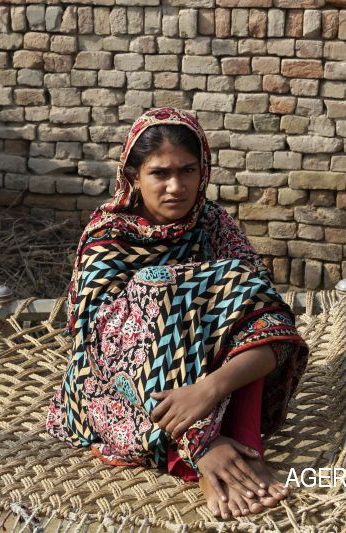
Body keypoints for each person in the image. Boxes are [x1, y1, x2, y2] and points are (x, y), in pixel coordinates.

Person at [46, 107, 309, 520]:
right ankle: (201, 455)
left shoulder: (214, 225)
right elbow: (97, 351)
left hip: (208, 385)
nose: (176, 186)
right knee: (159, 287)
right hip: (118, 390)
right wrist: (197, 433)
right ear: (134, 177)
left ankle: (240, 440)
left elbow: (271, 325)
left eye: (188, 171)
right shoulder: (108, 237)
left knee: (243, 290)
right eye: (159, 173)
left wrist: (208, 390)